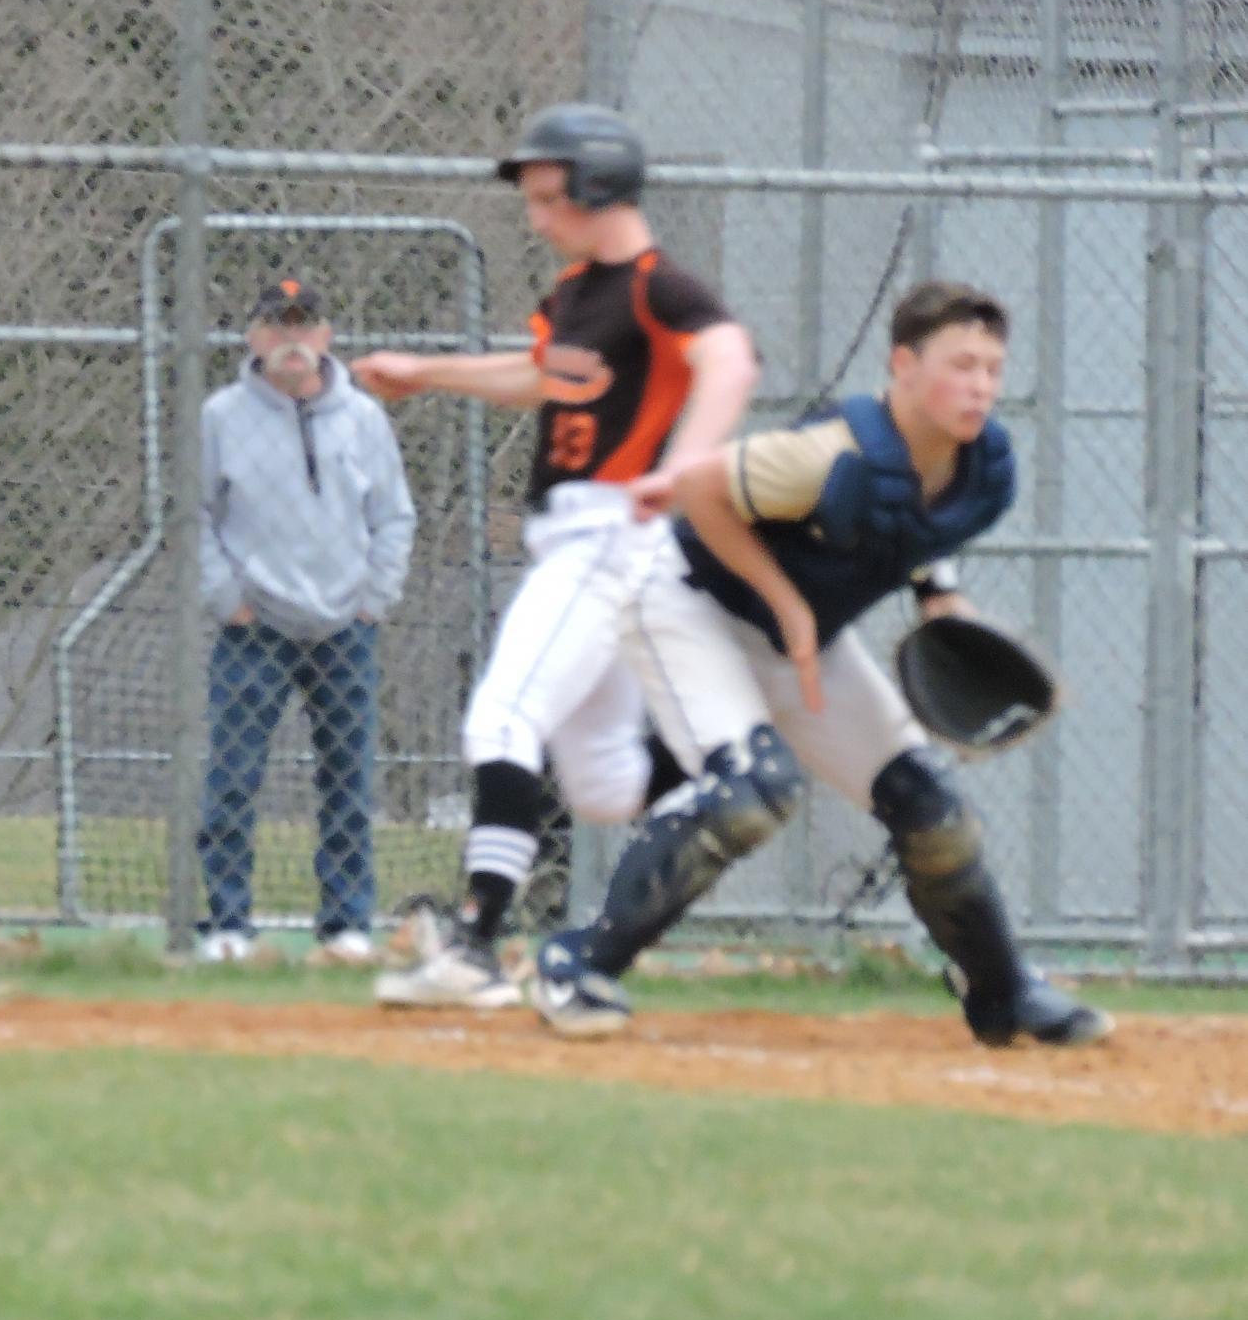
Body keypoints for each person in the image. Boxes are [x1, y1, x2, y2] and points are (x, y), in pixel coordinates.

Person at [529, 281, 1109, 1049]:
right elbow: (698, 490)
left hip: (795, 638)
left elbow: (909, 528)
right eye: (958, 364)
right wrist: (790, 605)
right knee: (751, 791)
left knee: (930, 805)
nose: (978, 386)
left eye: (991, 369)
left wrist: (937, 597)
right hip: (684, 604)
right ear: (901, 364)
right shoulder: (829, 455)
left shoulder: (982, 469)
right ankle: (577, 961)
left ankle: (1001, 992)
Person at [359, 105, 758, 1008]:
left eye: (551, 198)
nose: (538, 217)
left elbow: (730, 362)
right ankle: (740, 757)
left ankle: (471, 946)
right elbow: (541, 378)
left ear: (600, 188)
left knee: (500, 721)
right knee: (608, 785)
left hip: (608, 537)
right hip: (576, 540)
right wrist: (425, 373)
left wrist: (683, 464)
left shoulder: (661, 287)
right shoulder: (576, 294)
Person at [192, 277, 415, 966]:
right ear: (253, 337)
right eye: (276, 325)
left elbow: (393, 516)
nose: (291, 340)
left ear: (326, 336)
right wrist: (227, 598)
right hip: (253, 628)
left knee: (347, 781)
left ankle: (345, 927)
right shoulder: (221, 416)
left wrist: (372, 598)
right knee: (232, 778)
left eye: (304, 325)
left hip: (344, 629)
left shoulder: (363, 418)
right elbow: (195, 515)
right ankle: (228, 925)